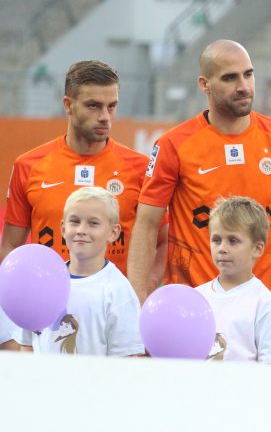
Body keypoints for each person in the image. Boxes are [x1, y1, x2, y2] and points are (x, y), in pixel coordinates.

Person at [127, 39, 271, 361]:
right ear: (204, 85)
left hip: (263, 310)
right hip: (191, 312)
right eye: (230, 78)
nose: (243, 86)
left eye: (248, 75)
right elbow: (147, 225)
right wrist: (137, 303)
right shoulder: (174, 145)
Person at [0, 60, 167, 350]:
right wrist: (16, 320)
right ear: (68, 104)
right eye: (93, 106)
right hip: (48, 317)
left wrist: (139, 292)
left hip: (113, 318)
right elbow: (11, 248)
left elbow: (163, 240)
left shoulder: (139, 168)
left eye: (112, 106)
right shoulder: (29, 165)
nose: (105, 117)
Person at [14, 187, 144, 356]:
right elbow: (27, 344)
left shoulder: (119, 292)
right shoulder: (42, 283)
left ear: (113, 233)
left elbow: (128, 358)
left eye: (93, 223)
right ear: (63, 228)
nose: (81, 230)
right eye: (75, 221)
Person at [196, 196, 271, 363]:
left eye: (233, 241)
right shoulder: (196, 298)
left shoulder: (264, 303)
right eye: (216, 240)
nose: (222, 248)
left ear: (257, 248)